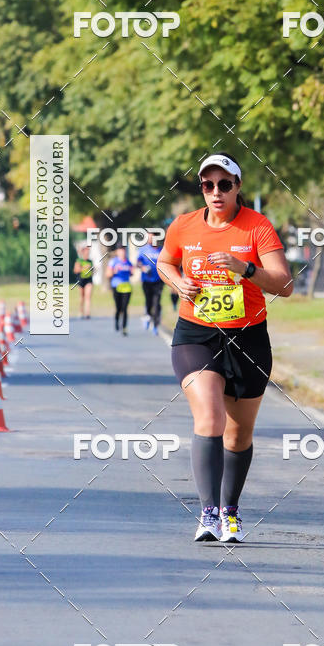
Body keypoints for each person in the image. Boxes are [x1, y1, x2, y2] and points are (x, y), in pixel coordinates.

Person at [157, 152, 293, 543]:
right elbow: (165, 262)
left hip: (248, 338)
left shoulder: (257, 227)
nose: (215, 192)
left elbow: (284, 285)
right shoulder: (183, 225)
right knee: (210, 418)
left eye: (224, 185)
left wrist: (245, 269)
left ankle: (231, 511)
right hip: (196, 335)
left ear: (238, 187)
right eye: (207, 185)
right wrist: (177, 282)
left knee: (238, 435)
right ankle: (208, 513)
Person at [137, 234, 163, 335]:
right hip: (146, 280)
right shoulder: (143, 249)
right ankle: (147, 315)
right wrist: (142, 267)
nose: (150, 240)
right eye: (149, 238)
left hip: (158, 281)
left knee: (156, 302)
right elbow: (138, 262)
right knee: (148, 300)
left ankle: (155, 325)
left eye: (152, 238)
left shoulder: (161, 250)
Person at [106, 246, 134, 335]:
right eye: (120, 250)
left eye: (123, 250)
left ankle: (124, 327)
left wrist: (131, 271)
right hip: (116, 286)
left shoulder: (128, 262)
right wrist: (114, 271)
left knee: (125, 308)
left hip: (126, 287)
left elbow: (132, 273)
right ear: (117, 252)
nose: (122, 252)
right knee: (118, 308)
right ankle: (117, 321)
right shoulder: (113, 262)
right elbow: (108, 274)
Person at [73, 245, 93, 318]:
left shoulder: (90, 261)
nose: (87, 254)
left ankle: (87, 313)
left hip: (88, 280)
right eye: (86, 253)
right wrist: (84, 268)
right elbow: (75, 270)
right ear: (83, 253)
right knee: (82, 297)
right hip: (80, 280)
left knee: (88, 296)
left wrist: (93, 270)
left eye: (88, 253)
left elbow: (92, 272)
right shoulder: (79, 261)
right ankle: (81, 311)